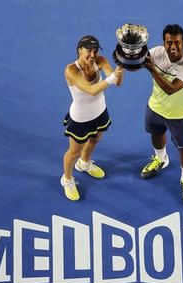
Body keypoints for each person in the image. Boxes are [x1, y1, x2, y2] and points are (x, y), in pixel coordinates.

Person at [141, 24, 183, 205]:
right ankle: (161, 159)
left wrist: (151, 69)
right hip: (156, 106)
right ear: (163, 43)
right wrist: (129, 54)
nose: (173, 47)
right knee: (156, 133)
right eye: (169, 43)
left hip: (178, 114)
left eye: (177, 43)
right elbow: (137, 63)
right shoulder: (156, 52)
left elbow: (171, 89)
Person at [61, 35, 124, 201]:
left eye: (95, 50)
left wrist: (121, 67)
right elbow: (91, 90)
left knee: (94, 140)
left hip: (99, 112)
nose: (92, 54)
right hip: (80, 119)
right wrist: (111, 77)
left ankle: (84, 163)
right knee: (74, 152)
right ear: (79, 50)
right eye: (88, 50)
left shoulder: (101, 60)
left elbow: (117, 82)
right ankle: (67, 179)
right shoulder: (71, 70)